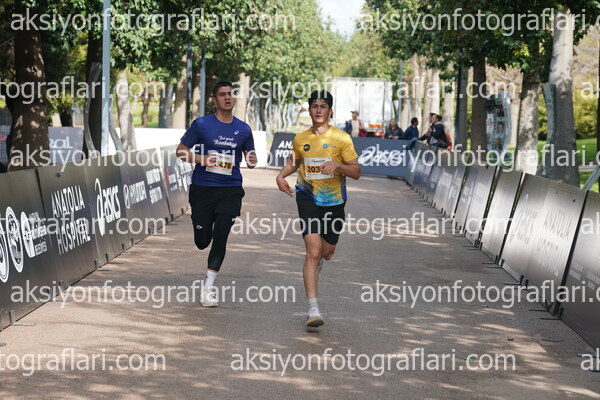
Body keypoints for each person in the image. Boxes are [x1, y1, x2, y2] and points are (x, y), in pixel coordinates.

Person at [276, 90, 360, 327]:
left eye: (323, 106)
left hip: (334, 201)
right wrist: (281, 176)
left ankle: (321, 258)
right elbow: (294, 162)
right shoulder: (300, 138)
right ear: (310, 109)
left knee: (327, 252)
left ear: (330, 111)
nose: (318, 110)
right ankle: (313, 309)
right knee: (312, 252)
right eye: (314, 106)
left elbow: (356, 172)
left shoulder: (342, 138)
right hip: (307, 197)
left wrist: (338, 166)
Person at [177, 81, 257, 308]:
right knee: (202, 241)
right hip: (203, 189)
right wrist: (201, 159)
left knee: (221, 234)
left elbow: (250, 156)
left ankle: (208, 288)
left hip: (230, 189)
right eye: (222, 94)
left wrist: (252, 159)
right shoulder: (202, 125)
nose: (227, 98)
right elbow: (180, 151)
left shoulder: (243, 128)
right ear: (214, 99)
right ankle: (202, 229)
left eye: (230, 94)